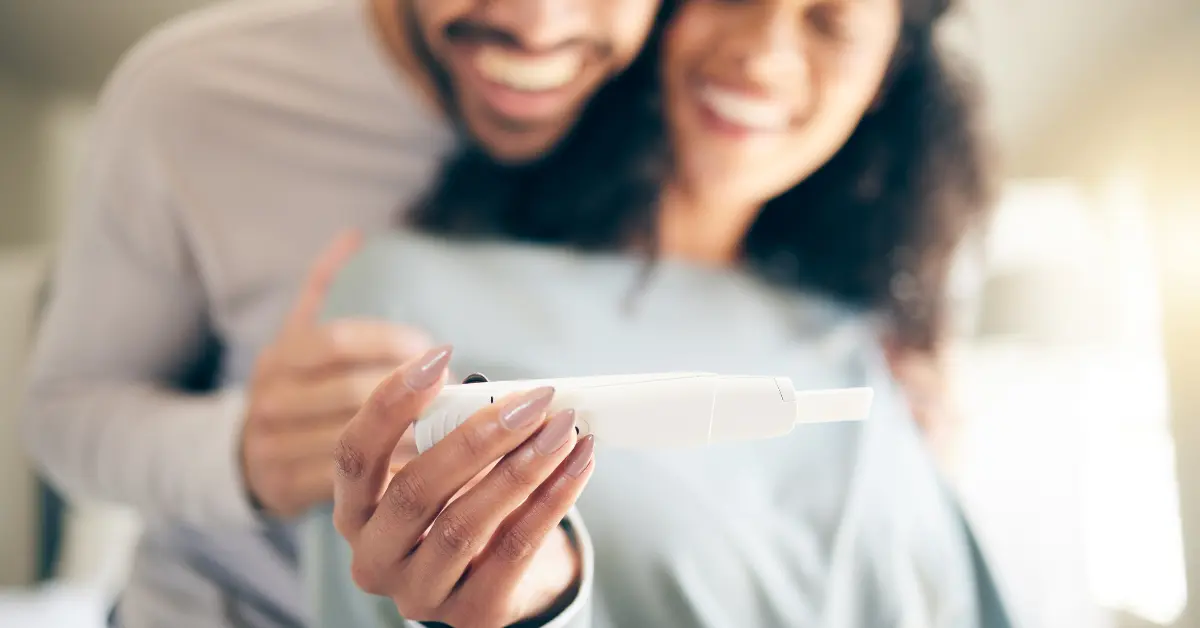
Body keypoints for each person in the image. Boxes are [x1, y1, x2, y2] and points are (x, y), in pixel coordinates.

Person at [308, 0, 996, 626]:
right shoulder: (408, 297)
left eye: (833, 23)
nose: (763, 56)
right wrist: (536, 601)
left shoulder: (870, 347)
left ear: (884, 75)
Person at [20, 0, 670, 626]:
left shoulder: (702, 106)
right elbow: (63, 413)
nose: (539, 25)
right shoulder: (193, 96)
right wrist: (243, 454)